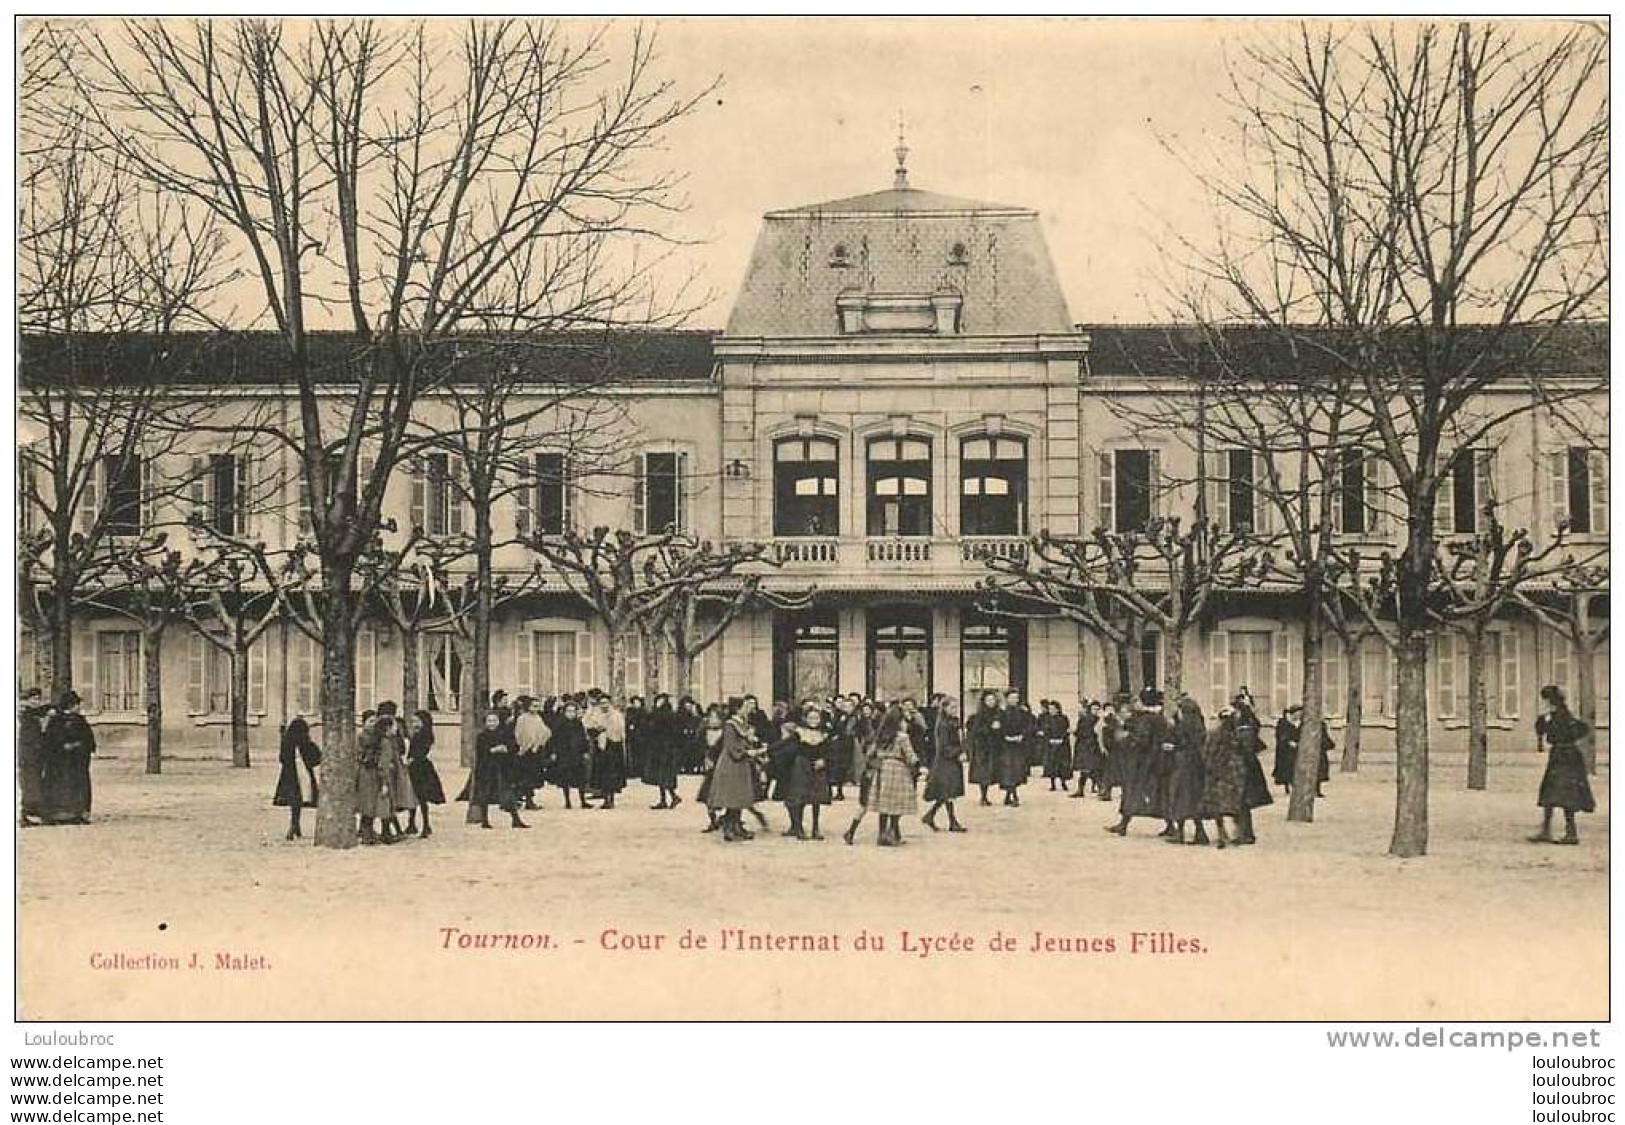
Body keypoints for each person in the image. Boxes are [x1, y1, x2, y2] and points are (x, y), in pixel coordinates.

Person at [845, 704, 919, 846]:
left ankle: (883, 834)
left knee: (883, 804)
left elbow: (870, 752)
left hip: (882, 769)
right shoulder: (902, 737)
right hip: (898, 770)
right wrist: (918, 765)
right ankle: (891, 834)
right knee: (896, 803)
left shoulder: (881, 735)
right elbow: (911, 756)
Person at [1529, 685, 1595, 845]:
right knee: (1550, 793)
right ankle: (1546, 830)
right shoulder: (1553, 715)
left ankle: (1570, 833)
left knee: (1566, 795)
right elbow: (1543, 733)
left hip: (1566, 757)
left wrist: (1563, 737)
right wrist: (1542, 722)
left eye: (1544, 700)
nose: (1543, 703)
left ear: (1550, 701)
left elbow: (1580, 729)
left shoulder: (1561, 715)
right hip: (1561, 756)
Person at [1105, 687, 1173, 837]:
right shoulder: (1160, 718)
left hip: (1143, 762)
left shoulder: (1146, 719)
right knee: (1160, 793)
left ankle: (1124, 824)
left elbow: (1142, 740)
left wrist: (1126, 738)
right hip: (1158, 761)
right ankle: (1170, 825)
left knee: (1133, 790)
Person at [708, 697, 764, 842]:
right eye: (744, 707)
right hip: (731, 764)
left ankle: (736, 827)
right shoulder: (730, 725)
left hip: (740, 765)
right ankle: (729, 828)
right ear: (737, 709)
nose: (748, 709)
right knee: (732, 797)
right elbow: (731, 746)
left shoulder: (741, 723)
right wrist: (746, 752)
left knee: (739, 798)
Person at [776, 700, 833, 840]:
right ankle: (799, 828)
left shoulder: (824, 734)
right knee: (800, 798)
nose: (813, 721)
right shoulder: (799, 733)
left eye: (816, 718)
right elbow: (784, 744)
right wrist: (765, 749)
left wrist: (824, 760)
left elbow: (830, 751)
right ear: (805, 719)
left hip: (818, 768)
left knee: (816, 799)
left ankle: (815, 828)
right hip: (801, 767)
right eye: (810, 718)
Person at [465, 710, 528, 829]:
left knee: (507, 794)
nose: (492, 723)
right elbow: (481, 753)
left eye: (494, 721)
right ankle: (485, 820)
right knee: (485, 794)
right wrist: (492, 750)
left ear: (499, 722)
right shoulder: (482, 736)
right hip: (487, 769)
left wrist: (506, 749)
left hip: (502, 768)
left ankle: (516, 819)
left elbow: (514, 747)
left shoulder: (505, 733)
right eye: (489, 721)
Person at [41, 690, 95, 825]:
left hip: (76, 761)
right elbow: (49, 740)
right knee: (61, 785)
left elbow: (88, 739)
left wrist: (80, 746)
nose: (79, 707)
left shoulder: (80, 720)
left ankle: (77, 813)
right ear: (70, 705)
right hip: (60, 762)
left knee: (77, 786)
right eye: (77, 704)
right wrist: (63, 747)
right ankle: (59, 814)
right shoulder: (56, 720)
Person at [1164, 695, 1209, 845]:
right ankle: (1200, 832)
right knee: (1195, 799)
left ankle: (1180, 833)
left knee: (1178, 796)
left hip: (1183, 764)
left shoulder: (1184, 725)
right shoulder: (1199, 724)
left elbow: (1181, 743)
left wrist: (1173, 747)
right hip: (1197, 766)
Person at [1200, 708, 1247, 849]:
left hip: (1218, 773)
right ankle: (1237, 834)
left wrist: (1209, 767)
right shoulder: (1238, 734)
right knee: (1235, 805)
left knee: (1219, 806)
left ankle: (1222, 835)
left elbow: (1207, 752)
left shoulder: (1214, 734)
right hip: (1234, 773)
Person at [272, 716, 322, 841]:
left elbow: (282, 758)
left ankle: (294, 825)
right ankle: (294, 826)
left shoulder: (287, 742)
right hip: (303, 773)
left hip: (290, 774)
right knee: (302, 798)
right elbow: (317, 757)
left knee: (295, 801)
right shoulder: (305, 743)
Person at [922, 695, 967, 832]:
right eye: (952, 707)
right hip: (945, 762)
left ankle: (931, 816)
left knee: (947, 793)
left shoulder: (953, 722)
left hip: (951, 761)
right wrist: (958, 752)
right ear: (945, 708)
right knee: (948, 792)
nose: (955, 710)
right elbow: (943, 746)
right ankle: (952, 821)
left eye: (956, 707)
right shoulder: (943, 725)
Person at [375, 704, 416, 843]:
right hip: (388, 777)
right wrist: (385, 782)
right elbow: (384, 763)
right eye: (393, 726)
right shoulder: (387, 743)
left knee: (389, 805)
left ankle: (390, 832)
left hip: (390, 775)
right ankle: (387, 833)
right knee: (387, 805)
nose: (397, 728)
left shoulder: (388, 741)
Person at [404, 710, 445, 838]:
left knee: (421, 797)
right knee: (415, 796)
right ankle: (412, 823)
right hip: (416, 767)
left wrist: (411, 760)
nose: (414, 724)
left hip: (420, 768)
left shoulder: (424, 735)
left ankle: (425, 825)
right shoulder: (418, 734)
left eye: (416, 721)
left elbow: (421, 752)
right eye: (412, 721)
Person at [547, 700, 593, 810]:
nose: (571, 713)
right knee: (565, 779)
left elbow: (583, 738)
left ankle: (583, 800)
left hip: (577, 754)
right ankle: (567, 801)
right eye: (569, 711)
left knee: (580, 778)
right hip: (564, 755)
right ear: (564, 712)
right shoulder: (559, 723)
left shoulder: (578, 723)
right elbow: (553, 739)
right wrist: (553, 752)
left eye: (573, 711)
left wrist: (585, 751)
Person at [642, 693, 683, 810]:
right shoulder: (667, 713)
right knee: (662, 776)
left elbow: (654, 724)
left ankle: (669, 798)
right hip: (662, 748)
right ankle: (667, 798)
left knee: (663, 775)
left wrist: (655, 710)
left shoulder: (665, 714)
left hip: (664, 749)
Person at [588, 695, 628, 810]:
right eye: (601, 703)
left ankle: (611, 799)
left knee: (612, 773)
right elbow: (590, 727)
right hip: (601, 747)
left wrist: (606, 730)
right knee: (602, 773)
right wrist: (597, 730)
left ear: (610, 703)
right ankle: (606, 798)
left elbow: (619, 731)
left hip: (613, 746)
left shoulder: (616, 715)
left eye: (606, 703)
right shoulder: (597, 715)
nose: (604, 705)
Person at [513, 696, 550, 811]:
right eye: (534, 706)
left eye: (538, 706)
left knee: (532, 776)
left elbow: (546, 732)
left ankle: (529, 800)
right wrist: (524, 746)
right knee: (523, 777)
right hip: (524, 752)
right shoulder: (522, 718)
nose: (536, 708)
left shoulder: (538, 718)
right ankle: (519, 799)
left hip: (535, 751)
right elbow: (518, 734)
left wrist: (538, 743)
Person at [965, 691, 1002, 806]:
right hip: (982, 747)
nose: (991, 702)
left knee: (991, 772)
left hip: (994, 746)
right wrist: (990, 728)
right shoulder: (978, 716)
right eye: (988, 700)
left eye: (993, 700)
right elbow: (975, 730)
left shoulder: (998, 714)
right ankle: (983, 796)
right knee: (983, 773)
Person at [18, 689, 48, 827]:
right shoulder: (26, 716)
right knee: (28, 784)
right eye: (34, 699)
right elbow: (28, 738)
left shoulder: (31, 715)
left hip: (33, 755)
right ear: (27, 700)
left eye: (38, 699)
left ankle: (29, 813)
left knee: (32, 783)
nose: (36, 702)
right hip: (28, 755)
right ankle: (25, 814)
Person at [695, 704, 727, 832]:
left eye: (715, 717)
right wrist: (705, 757)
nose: (712, 719)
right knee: (707, 795)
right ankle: (713, 820)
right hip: (709, 768)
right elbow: (699, 745)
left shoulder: (725, 732)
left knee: (724, 796)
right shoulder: (704, 731)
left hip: (722, 767)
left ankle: (727, 818)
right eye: (710, 717)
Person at [998, 690, 1031, 806]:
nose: (1014, 700)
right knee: (1008, 771)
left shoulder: (1022, 713)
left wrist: (1022, 736)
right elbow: (998, 729)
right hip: (1005, 746)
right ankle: (1014, 797)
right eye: (1012, 698)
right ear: (1007, 699)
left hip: (1018, 746)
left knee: (1016, 771)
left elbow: (1028, 726)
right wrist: (1005, 737)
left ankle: (1008, 796)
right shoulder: (1001, 713)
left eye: (1016, 698)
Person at [1040, 699, 1073, 791]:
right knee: (1052, 765)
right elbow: (1046, 731)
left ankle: (1063, 782)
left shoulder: (1063, 718)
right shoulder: (1047, 719)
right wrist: (1050, 739)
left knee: (1062, 765)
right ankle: (1053, 784)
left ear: (1058, 709)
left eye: (1053, 709)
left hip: (1062, 745)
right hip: (1051, 744)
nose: (1051, 711)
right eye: (1050, 709)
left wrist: (1061, 739)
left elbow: (1066, 730)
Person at [1071, 700, 1102, 798]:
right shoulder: (1086, 720)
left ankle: (1100, 789)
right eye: (1094, 709)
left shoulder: (1098, 720)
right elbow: (1080, 732)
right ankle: (1082, 790)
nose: (1096, 711)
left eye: (1097, 709)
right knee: (1087, 769)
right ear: (1090, 709)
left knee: (1092, 769)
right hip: (1085, 747)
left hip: (1092, 747)